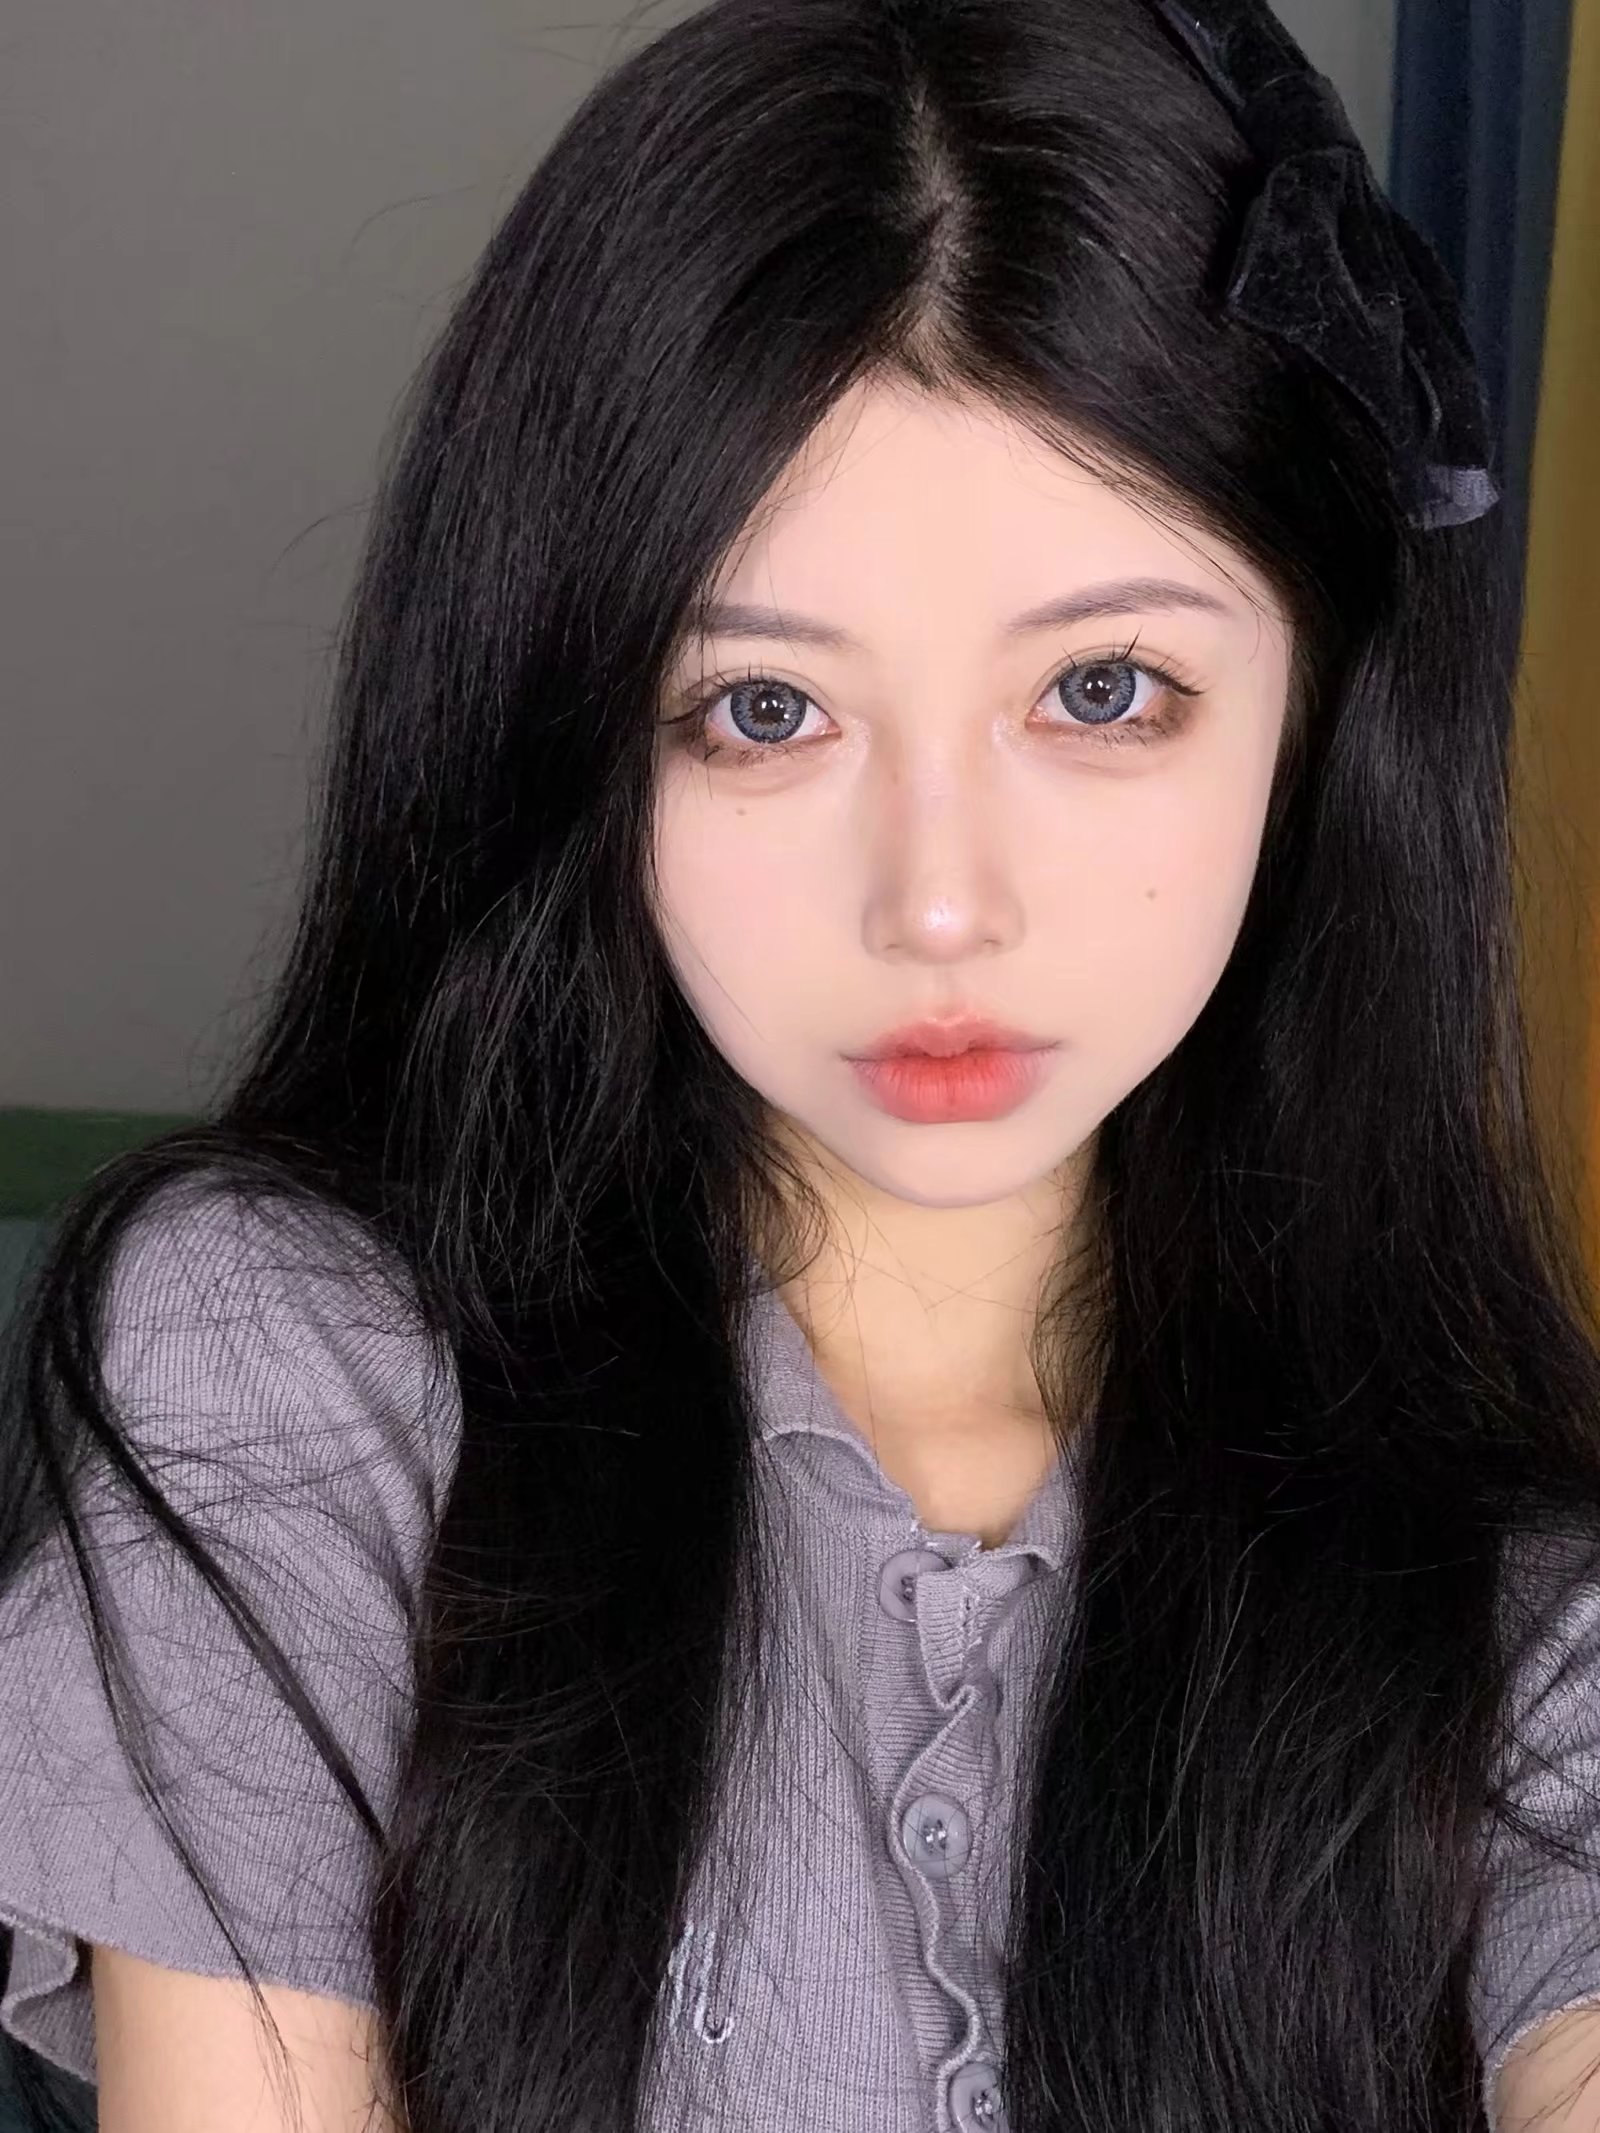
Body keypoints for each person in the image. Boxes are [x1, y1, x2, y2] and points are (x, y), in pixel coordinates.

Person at [2, 0, 1599, 2126]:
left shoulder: (1506, 1579)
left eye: (1102, 690)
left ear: (1314, 712)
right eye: (764, 712)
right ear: (574, 728)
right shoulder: (292, 1360)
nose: (937, 904)